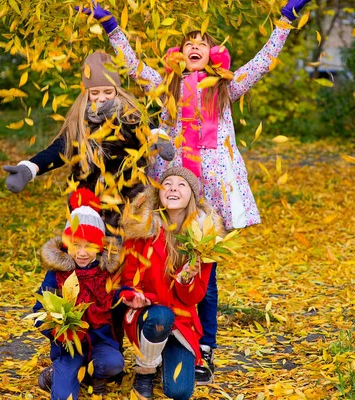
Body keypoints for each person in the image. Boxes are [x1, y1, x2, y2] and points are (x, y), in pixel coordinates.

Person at [79, 0, 312, 383]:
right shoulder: (166, 86)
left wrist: (285, 22)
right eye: (188, 42)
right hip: (173, 190)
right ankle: (155, 337)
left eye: (202, 42)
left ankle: (203, 347)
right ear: (179, 54)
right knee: (160, 261)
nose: (194, 46)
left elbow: (261, 63)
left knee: (204, 272)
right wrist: (111, 27)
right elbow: (134, 67)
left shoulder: (226, 88)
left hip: (212, 196)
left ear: (212, 53)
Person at [3, 51, 173, 232]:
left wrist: (158, 140)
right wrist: (30, 168)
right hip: (87, 203)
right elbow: (58, 150)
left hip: (128, 201)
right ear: (86, 94)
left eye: (108, 92)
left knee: (123, 253)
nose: (102, 98)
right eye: (95, 93)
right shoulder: (80, 122)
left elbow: (148, 129)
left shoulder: (129, 116)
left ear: (117, 90)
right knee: (88, 252)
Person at [114, 167, 223, 400]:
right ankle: (145, 371)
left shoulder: (202, 239)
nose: (173, 187)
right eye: (168, 184)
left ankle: (161, 355)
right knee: (161, 316)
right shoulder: (142, 230)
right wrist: (134, 295)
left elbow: (194, 298)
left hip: (181, 322)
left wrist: (187, 276)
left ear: (191, 196)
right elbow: (126, 280)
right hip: (148, 316)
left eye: (181, 184)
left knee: (180, 391)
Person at [33, 188, 124, 399]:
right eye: (76, 245)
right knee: (64, 395)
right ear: (67, 245)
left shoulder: (106, 272)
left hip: (100, 341)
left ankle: (95, 375)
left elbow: (119, 298)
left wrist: (128, 296)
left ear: (99, 247)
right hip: (69, 345)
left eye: (89, 246)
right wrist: (57, 330)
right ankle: (56, 374)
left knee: (113, 363)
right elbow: (40, 311)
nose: (82, 253)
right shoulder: (57, 274)